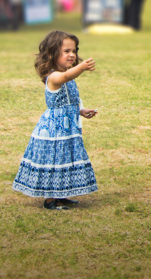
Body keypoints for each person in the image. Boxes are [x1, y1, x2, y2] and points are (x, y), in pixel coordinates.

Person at [13, 31, 98, 210]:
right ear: (52, 54)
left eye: (74, 51)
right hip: (55, 129)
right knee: (55, 159)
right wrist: (81, 67)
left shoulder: (67, 75)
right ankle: (51, 199)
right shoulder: (54, 77)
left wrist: (81, 111)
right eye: (66, 51)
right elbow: (65, 77)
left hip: (68, 128)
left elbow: (68, 99)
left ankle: (62, 194)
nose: (72, 55)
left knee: (65, 158)